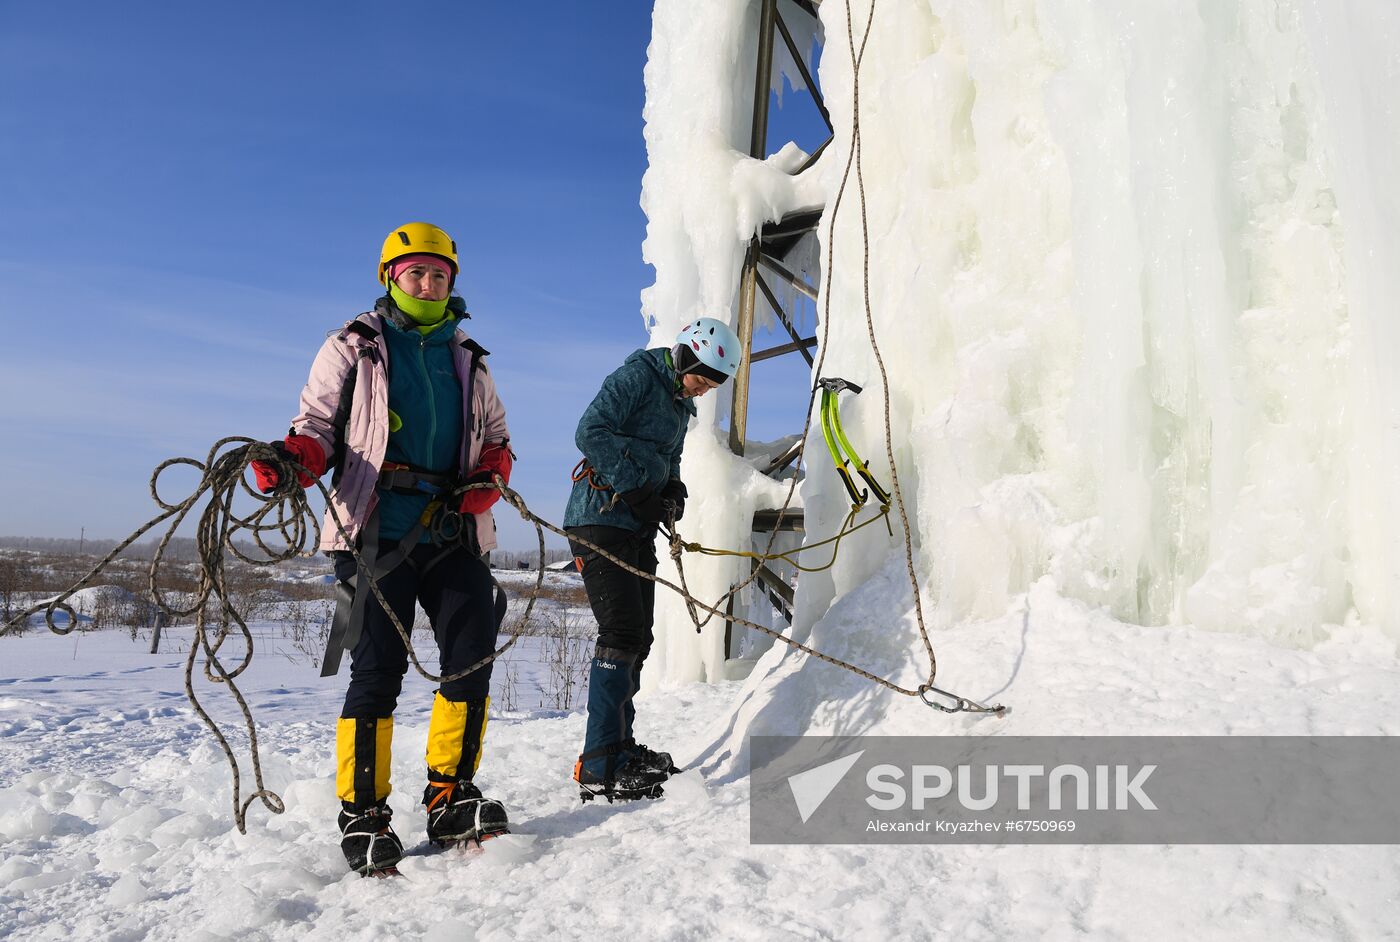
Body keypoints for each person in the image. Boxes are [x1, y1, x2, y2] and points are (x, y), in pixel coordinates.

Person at [251, 222, 514, 875]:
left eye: (439, 274)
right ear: (390, 277)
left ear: (451, 282)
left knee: (471, 656)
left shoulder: (469, 357)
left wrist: (491, 478)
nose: (428, 283)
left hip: (452, 529)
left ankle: (450, 795)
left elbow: (497, 440)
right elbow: (315, 429)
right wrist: (290, 463)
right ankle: (363, 813)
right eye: (415, 272)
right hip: (374, 529)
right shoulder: (353, 347)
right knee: (377, 669)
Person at [563, 316, 743, 801]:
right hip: (599, 519)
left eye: (711, 386)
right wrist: (638, 487)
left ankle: (620, 746)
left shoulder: (680, 405)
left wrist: (672, 488)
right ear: (684, 356)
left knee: (639, 636)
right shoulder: (638, 377)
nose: (702, 391)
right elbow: (590, 431)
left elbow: (671, 456)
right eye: (700, 379)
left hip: (634, 526)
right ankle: (599, 762)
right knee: (619, 632)